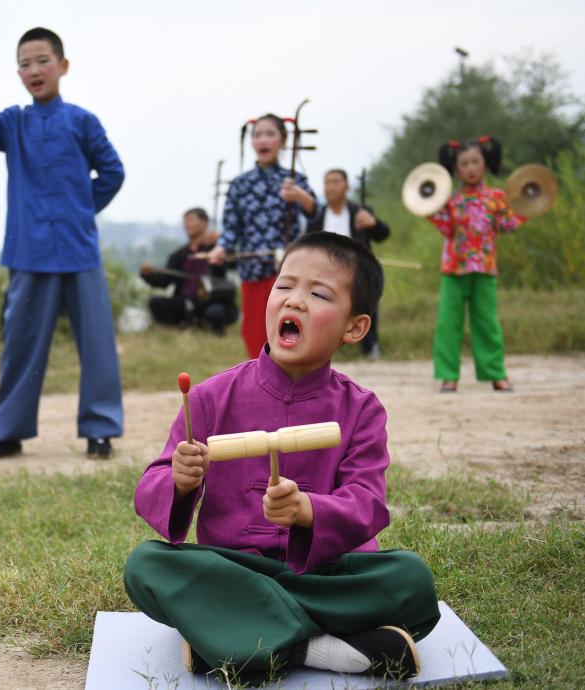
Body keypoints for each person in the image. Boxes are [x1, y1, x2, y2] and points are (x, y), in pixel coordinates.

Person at [124, 233, 440, 681]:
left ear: (355, 327)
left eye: (319, 293)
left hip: (327, 574)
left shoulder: (361, 408)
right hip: (234, 568)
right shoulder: (210, 397)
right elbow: (151, 486)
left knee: (412, 580)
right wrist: (179, 479)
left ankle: (235, 636)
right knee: (146, 566)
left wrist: (308, 509)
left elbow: (367, 503)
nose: (295, 301)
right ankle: (321, 647)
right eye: (284, 286)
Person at [0, 28, 125, 461]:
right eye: (25, 64)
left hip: (79, 249)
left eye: (43, 61)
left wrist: (83, 208)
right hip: (28, 251)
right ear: (16, 73)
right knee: (21, 345)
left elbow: (112, 171)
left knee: (98, 345)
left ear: (63, 66)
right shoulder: (12, 122)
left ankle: (100, 429)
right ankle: (9, 432)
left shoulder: (83, 121)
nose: (34, 70)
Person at [208, 115, 317, 359]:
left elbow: (315, 214)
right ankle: (262, 384)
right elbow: (231, 227)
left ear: (283, 140)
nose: (263, 140)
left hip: (288, 268)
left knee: (289, 327)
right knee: (254, 330)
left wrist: (300, 196)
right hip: (252, 268)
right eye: (258, 135)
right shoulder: (240, 184)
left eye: (270, 134)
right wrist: (221, 248)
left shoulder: (295, 180)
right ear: (251, 142)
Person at [430, 136, 523, 393]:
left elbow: (507, 225)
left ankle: (496, 374)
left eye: (475, 162)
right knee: (448, 324)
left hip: (485, 268)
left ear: (485, 164)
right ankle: (449, 376)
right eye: (464, 164)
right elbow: (447, 229)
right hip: (453, 269)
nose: (470, 168)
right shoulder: (450, 201)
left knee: (487, 323)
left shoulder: (497, 197)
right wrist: (430, 209)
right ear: (456, 168)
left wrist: (528, 206)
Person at [306, 169, 390, 359]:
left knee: (367, 306)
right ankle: (320, 348)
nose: (331, 187)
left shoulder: (360, 212)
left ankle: (371, 347)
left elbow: (384, 234)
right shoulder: (318, 216)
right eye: (327, 182)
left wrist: (373, 223)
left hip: (356, 269)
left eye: (336, 182)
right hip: (323, 272)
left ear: (346, 187)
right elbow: (308, 243)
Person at [140, 207, 237, 334]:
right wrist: (147, 274)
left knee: (215, 312)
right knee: (156, 303)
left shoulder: (216, 250)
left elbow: (234, 263)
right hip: (185, 302)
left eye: (191, 220)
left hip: (212, 301)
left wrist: (222, 245)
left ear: (205, 222)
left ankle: (216, 333)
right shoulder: (179, 255)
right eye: (185, 221)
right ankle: (171, 334)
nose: (187, 225)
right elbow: (164, 281)